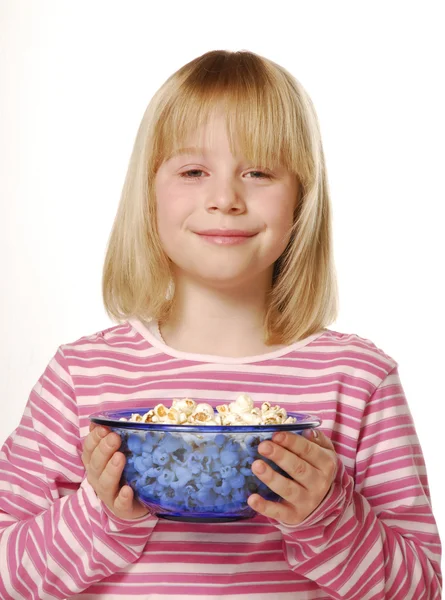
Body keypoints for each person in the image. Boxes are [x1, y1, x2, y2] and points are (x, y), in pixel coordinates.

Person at [0, 49, 442, 600]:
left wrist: (327, 514)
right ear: (149, 194)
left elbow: (421, 588)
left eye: (258, 172)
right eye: (193, 171)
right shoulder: (80, 377)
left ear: (302, 198)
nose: (225, 199)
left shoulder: (357, 381)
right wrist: (101, 512)